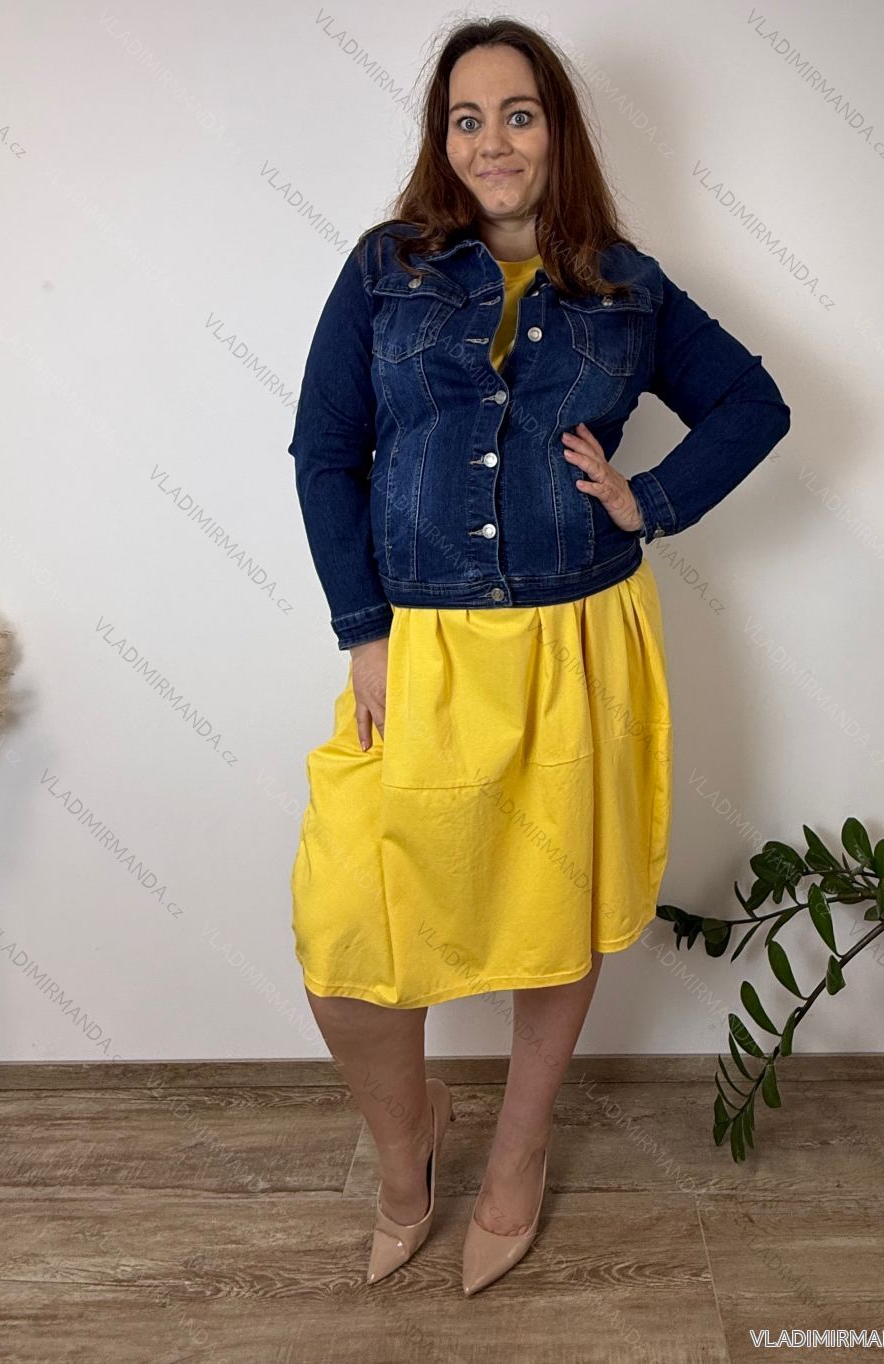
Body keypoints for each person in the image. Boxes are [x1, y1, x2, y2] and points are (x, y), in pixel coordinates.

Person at [287, 18, 790, 1296]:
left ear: (555, 130)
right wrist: (362, 630)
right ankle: (408, 1144)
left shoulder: (626, 285)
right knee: (345, 931)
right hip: (422, 646)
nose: (492, 141)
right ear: (441, 140)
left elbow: (755, 404)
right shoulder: (384, 270)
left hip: (577, 639)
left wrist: (649, 500)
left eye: (517, 113)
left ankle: (518, 1147)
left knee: (554, 915)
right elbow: (325, 450)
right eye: (466, 118)